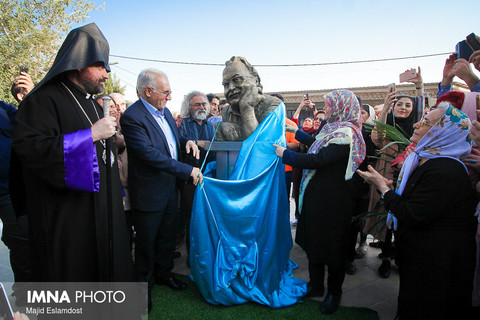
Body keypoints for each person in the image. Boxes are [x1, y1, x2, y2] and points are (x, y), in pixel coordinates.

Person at [10, 23, 134, 282]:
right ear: (79, 63)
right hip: (67, 220)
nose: (106, 74)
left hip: (102, 212)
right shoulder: (41, 101)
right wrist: (89, 135)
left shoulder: (90, 103)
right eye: (100, 66)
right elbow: (32, 152)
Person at [358, 102, 477, 320]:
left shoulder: (445, 170)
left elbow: (413, 213)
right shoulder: (430, 161)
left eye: (426, 123)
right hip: (425, 257)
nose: (416, 126)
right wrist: (391, 187)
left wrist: (384, 188)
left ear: (441, 133)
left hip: (437, 263)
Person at [274, 89, 366, 315]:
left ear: (343, 107)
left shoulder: (348, 133)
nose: (328, 109)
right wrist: (297, 132)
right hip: (317, 198)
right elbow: (318, 143)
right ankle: (315, 286)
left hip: (336, 203)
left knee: (333, 248)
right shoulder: (333, 129)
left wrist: (285, 154)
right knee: (315, 242)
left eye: (331, 105)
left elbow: (319, 158)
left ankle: (334, 293)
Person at [120, 68, 202, 311]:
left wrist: (185, 141)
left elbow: (169, 143)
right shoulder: (132, 117)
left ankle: (165, 274)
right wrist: (187, 171)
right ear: (148, 91)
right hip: (149, 192)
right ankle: (142, 289)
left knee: (167, 237)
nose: (169, 97)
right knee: (146, 243)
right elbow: (150, 154)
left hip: (169, 189)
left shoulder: (164, 113)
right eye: (166, 92)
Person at [366, 72, 423, 279]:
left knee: (401, 217)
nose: (404, 108)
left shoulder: (417, 129)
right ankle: (386, 256)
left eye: (408, 106)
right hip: (384, 176)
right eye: (400, 104)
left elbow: (423, 112)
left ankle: (397, 254)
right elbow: (376, 137)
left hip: (407, 179)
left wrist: (419, 87)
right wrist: (384, 110)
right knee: (384, 216)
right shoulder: (386, 126)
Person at [0, 72, 34, 300]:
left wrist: (28, 98)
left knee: (21, 242)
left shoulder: (6, 111)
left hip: (6, 191)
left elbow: (31, 123)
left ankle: (24, 296)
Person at [178, 91, 215, 259]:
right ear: (189, 107)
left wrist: (203, 144)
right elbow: (181, 148)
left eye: (204, 104)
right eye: (197, 104)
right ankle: (193, 258)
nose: (202, 107)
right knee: (192, 218)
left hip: (210, 178)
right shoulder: (182, 124)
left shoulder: (211, 125)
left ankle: (207, 255)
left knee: (207, 218)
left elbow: (214, 149)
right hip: (189, 179)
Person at [218, 56, 282, 141]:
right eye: (226, 84)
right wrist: (221, 126)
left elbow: (260, 144)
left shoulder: (273, 104)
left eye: (237, 80)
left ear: (256, 81)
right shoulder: (226, 111)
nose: (230, 88)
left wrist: (247, 108)